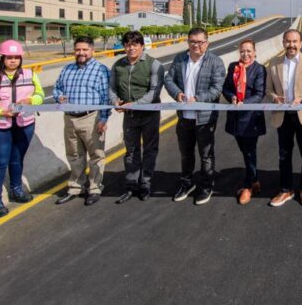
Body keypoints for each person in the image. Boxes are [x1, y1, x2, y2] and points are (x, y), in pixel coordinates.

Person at [0, 40, 44, 217]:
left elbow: (40, 95)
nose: (13, 61)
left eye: (16, 57)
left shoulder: (30, 74)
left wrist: (31, 100)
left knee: (17, 159)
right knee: (0, 163)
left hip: (24, 124)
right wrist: (0, 112)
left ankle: (16, 189)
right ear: (3, 58)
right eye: (9, 57)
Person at [164, 27, 226, 205]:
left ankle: (206, 186)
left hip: (205, 118)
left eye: (200, 42)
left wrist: (198, 99)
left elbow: (216, 89)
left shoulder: (215, 62)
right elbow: (169, 80)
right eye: (192, 42)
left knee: (206, 155)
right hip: (184, 118)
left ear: (207, 43)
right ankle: (187, 183)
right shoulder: (180, 59)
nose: (196, 45)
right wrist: (177, 94)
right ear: (188, 42)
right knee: (186, 154)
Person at [266, 28, 302, 207]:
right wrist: (274, 97)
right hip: (283, 116)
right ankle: (285, 190)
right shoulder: (273, 63)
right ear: (283, 43)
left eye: (294, 41)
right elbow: (268, 89)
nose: (291, 45)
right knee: (284, 155)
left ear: (300, 43)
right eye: (288, 41)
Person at [53, 36, 111, 206]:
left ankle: (94, 188)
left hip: (91, 118)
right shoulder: (67, 69)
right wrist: (59, 97)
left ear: (93, 51)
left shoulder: (101, 70)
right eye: (78, 49)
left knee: (96, 156)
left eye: (85, 49)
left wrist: (104, 118)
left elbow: (106, 97)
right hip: (70, 119)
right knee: (74, 155)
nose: (81, 53)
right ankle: (75, 187)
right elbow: (57, 88)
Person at [109, 30, 165, 203]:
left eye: (134, 44)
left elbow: (153, 93)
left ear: (142, 46)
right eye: (127, 44)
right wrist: (115, 102)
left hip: (149, 115)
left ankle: (145, 184)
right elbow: (111, 88)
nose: (130, 48)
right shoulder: (118, 66)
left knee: (149, 150)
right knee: (131, 152)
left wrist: (134, 104)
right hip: (129, 116)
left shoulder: (154, 65)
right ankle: (131, 185)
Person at [222, 39, 267, 205]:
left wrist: (244, 103)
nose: (245, 54)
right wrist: (232, 96)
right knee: (245, 151)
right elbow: (226, 87)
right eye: (242, 51)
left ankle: (248, 186)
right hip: (235, 118)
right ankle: (255, 181)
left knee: (249, 152)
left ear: (255, 52)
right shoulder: (233, 66)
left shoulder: (259, 69)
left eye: (249, 51)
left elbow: (259, 93)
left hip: (250, 118)